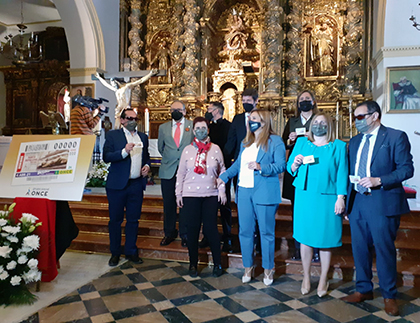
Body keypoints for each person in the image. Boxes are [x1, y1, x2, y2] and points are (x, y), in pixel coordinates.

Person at [342, 101, 414, 316]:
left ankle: (389, 295)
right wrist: (347, 202)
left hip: (382, 201)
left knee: (384, 250)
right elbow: (350, 172)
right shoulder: (354, 142)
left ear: (374, 116)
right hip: (358, 203)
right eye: (355, 117)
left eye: (360, 117)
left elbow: (406, 169)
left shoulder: (395, 137)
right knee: (359, 249)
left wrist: (379, 180)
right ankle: (363, 289)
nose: (356, 121)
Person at [218, 109, 286, 286]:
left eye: (254, 118)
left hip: (264, 191)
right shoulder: (245, 142)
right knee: (245, 231)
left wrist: (260, 166)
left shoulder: (274, 141)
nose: (250, 121)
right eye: (250, 118)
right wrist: (222, 177)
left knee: (266, 233)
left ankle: (268, 269)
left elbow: (281, 165)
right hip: (244, 191)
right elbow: (238, 166)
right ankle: (248, 267)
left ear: (263, 121)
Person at [287, 112, 348, 297]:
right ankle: (306, 277)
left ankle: (323, 278)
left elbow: (342, 173)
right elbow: (289, 168)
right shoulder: (301, 143)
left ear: (329, 125)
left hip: (327, 197)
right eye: (315, 122)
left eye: (322, 122)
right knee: (305, 237)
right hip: (305, 196)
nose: (318, 125)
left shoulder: (338, 146)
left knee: (325, 238)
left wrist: (341, 197)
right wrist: (295, 164)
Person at [176, 116, 227, 277]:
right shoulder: (187, 150)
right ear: (193, 131)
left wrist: (222, 189)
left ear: (208, 129)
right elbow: (181, 173)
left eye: (203, 127)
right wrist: (178, 193)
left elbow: (223, 171)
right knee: (192, 230)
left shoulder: (216, 149)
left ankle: (217, 263)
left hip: (210, 194)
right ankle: (193, 264)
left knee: (211, 229)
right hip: (190, 195)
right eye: (197, 128)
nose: (200, 131)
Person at [103, 108, 151, 267]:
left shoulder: (143, 137)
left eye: (135, 119)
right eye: (129, 118)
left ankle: (131, 250)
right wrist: (124, 151)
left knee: (133, 220)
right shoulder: (113, 135)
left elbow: (147, 158)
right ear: (122, 120)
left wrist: (147, 166)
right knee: (115, 220)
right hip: (117, 185)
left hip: (136, 184)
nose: (133, 121)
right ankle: (115, 252)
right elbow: (106, 156)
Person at [282, 90, 319, 261]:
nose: (304, 102)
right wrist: (290, 140)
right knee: (298, 211)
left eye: (307, 99)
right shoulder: (292, 121)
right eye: (301, 99)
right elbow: (284, 144)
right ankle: (299, 248)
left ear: (313, 102)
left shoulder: (319, 120)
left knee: (314, 210)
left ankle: (316, 247)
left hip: (314, 168)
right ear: (298, 104)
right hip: (296, 170)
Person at [158, 101, 194, 247]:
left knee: (185, 204)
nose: (175, 112)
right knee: (169, 203)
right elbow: (161, 148)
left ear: (184, 111)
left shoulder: (192, 126)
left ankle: (185, 234)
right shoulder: (163, 127)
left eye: (178, 109)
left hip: (186, 171)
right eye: (173, 109)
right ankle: (169, 233)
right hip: (168, 170)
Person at [200, 102, 233, 253]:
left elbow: (229, 146)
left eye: (209, 109)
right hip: (206, 169)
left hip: (222, 168)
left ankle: (228, 237)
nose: (207, 112)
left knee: (224, 204)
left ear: (217, 111)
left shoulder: (228, 126)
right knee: (207, 203)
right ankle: (208, 235)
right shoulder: (208, 127)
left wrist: (218, 159)